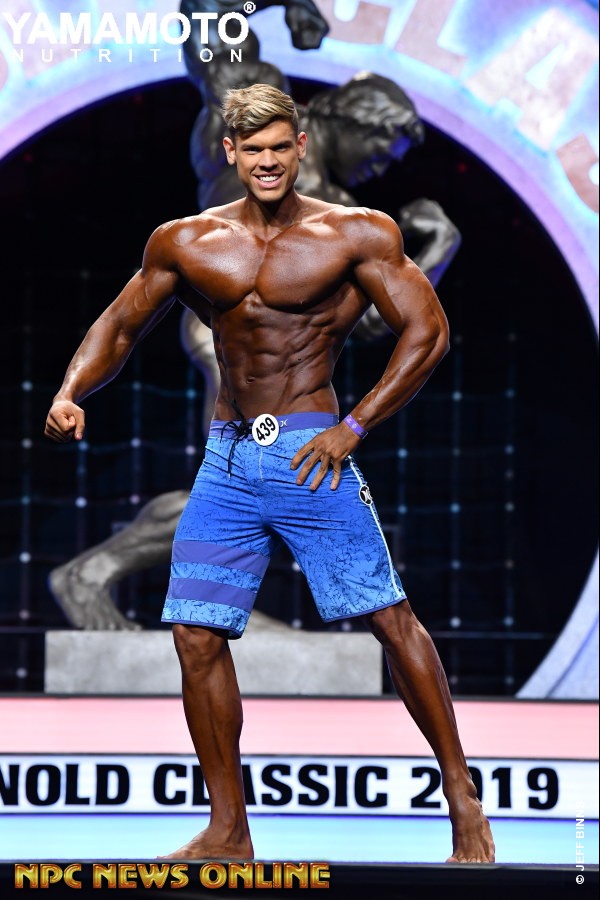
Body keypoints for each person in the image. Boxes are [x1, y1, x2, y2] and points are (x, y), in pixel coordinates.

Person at [44, 83, 494, 863]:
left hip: (311, 451)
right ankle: (229, 830)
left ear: (300, 146)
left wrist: (353, 427)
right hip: (228, 460)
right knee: (195, 634)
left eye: (280, 148)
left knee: (389, 619)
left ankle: (462, 798)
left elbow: (427, 333)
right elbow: (119, 325)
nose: (268, 162)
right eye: (253, 150)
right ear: (232, 152)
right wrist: (69, 391)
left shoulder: (354, 232)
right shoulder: (187, 241)